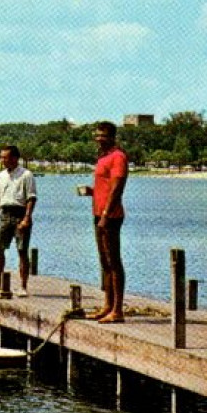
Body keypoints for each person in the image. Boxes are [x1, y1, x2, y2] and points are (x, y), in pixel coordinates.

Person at [81, 121, 129, 323]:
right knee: (104, 262)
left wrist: (106, 214)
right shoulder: (103, 158)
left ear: (112, 137)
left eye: (103, 135)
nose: (99, 138)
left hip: (110, 216)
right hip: (98, 213)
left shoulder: (118, 157)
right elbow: (105, 187)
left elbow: (117, 188)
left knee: (113, 261)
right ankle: (108, 305)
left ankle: (117, 310)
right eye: (97, 135)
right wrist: (92, 192)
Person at [0, 144, 37, 297]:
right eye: (1, 157)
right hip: (4, 212)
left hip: (20, 213)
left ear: (15, 158)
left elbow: (31, 198)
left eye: (5, 157)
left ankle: (23, 286)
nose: (2, 160)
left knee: (22, 250)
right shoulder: (1, 175)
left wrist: (27, 218)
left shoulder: (26, 175)